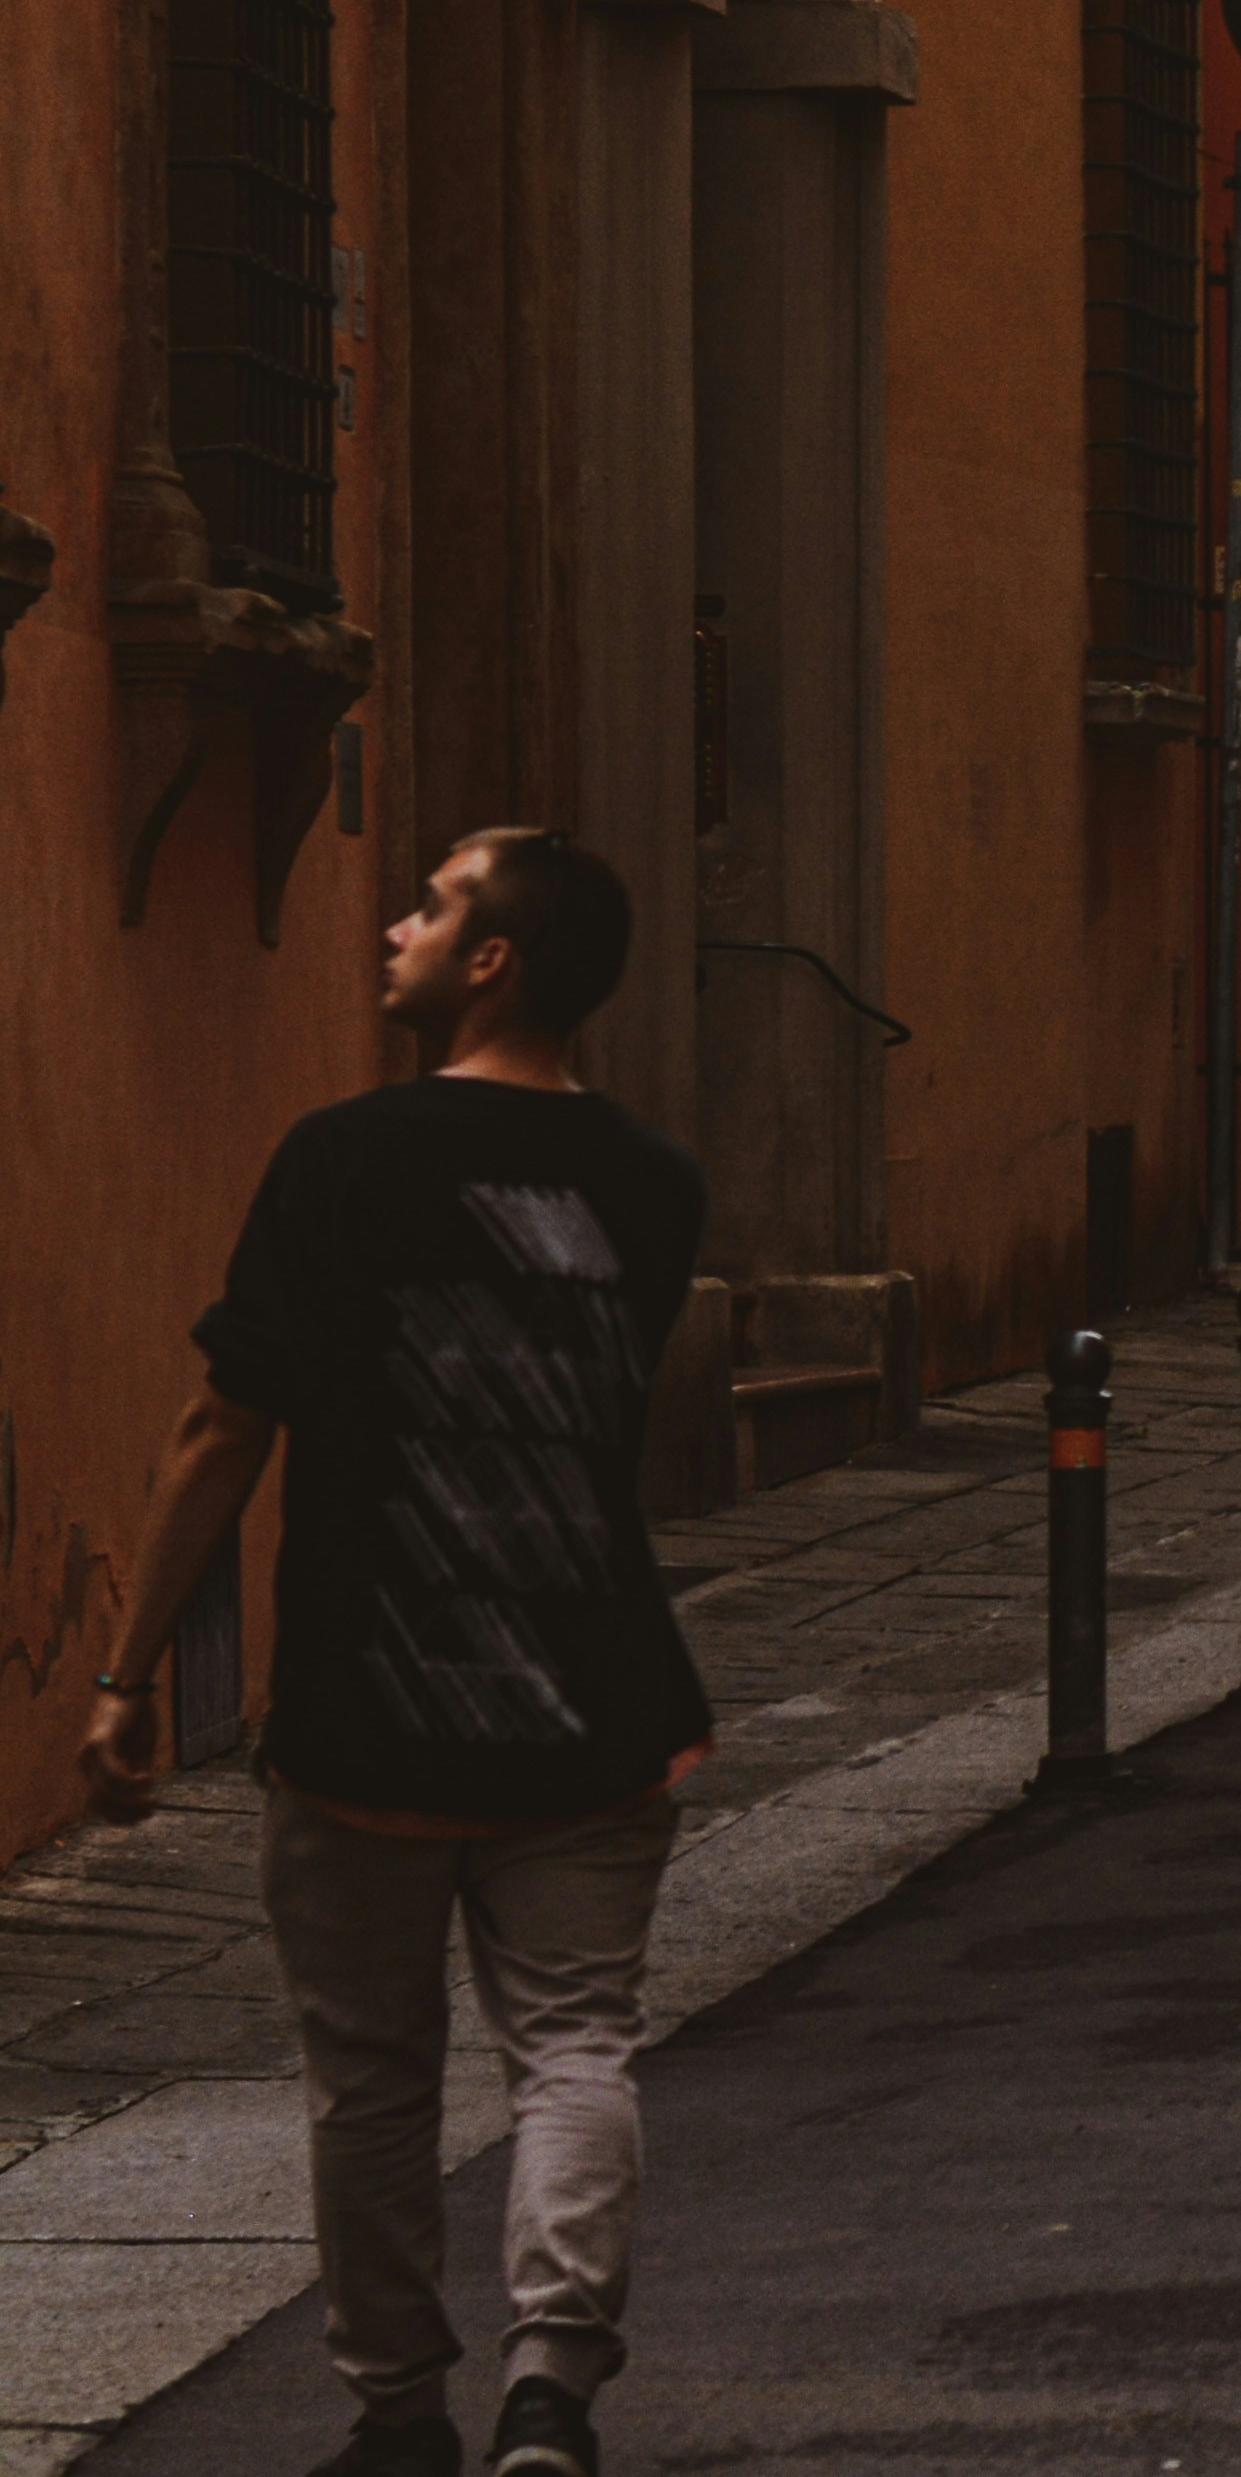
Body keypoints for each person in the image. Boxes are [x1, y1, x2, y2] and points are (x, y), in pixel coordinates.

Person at [78, 827, 703, 2477]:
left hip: (369, 1708)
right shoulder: (655, 1184)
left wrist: (128, 1676)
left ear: (492, 958)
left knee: (371, 2083)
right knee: (575, 2046)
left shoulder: (339, 1160)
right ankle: (553, 2388)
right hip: (590, 1699)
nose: (395, 924)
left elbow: (227, 1425)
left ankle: (400, 2416)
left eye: (429, 905)